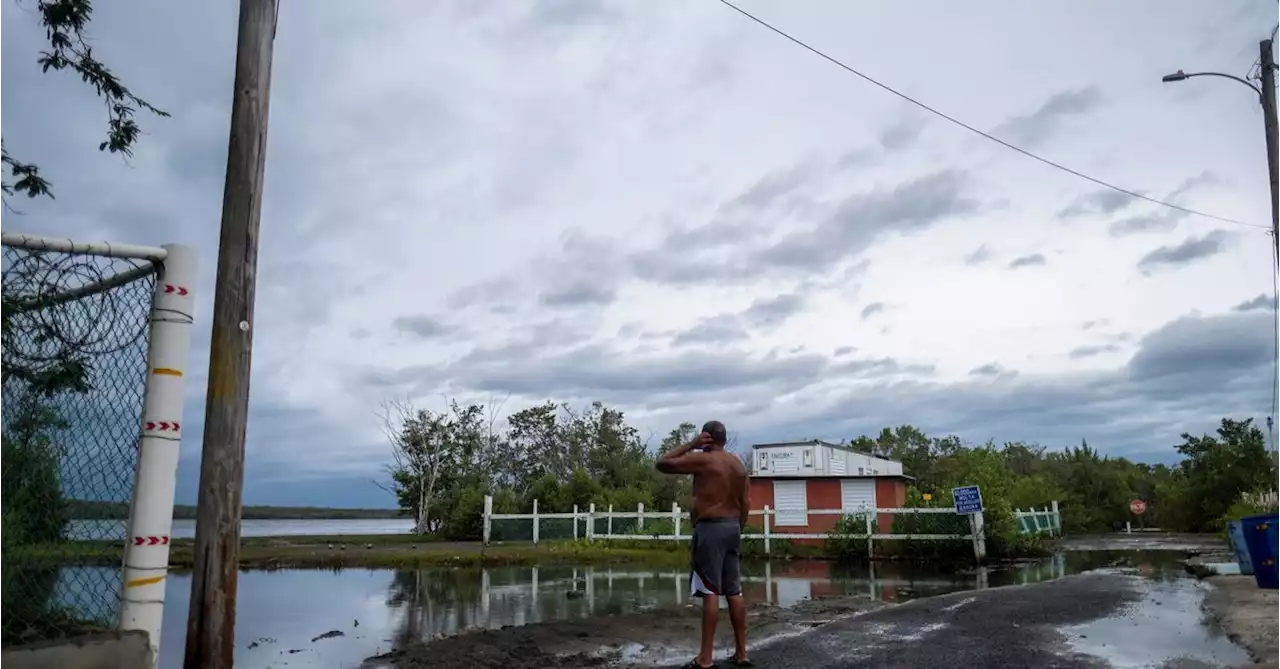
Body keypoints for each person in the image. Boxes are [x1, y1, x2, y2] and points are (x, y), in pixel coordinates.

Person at [656, 420, 752, 669]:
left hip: (711, 529)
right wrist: (738, 528)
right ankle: (742, 654)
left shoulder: (705, 459)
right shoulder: (738, 464)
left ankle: (705, 659)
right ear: (725, 439)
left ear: (707, 438)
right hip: (732, 528)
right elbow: (746, 502)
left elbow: (663, 463)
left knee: (710, 590)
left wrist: (692, 444)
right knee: (734, 590)